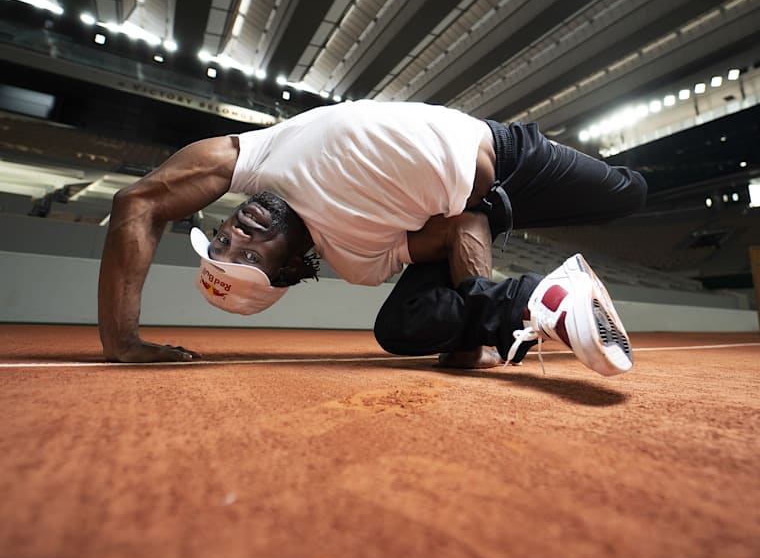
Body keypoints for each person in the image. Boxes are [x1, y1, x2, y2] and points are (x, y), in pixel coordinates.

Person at [97, 100, 646, 374]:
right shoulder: (357, 260)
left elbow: (138, 202)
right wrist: (468, 322)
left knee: (629, 194)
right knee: (399, 330)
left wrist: (121, 342)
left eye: (221, 242)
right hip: (479, 199)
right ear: (286, 271)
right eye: (247, 258)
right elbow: (465, 225)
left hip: (511, 157)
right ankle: (537, 301)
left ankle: (495, 318)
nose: (237, 235)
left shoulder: (254, 160)